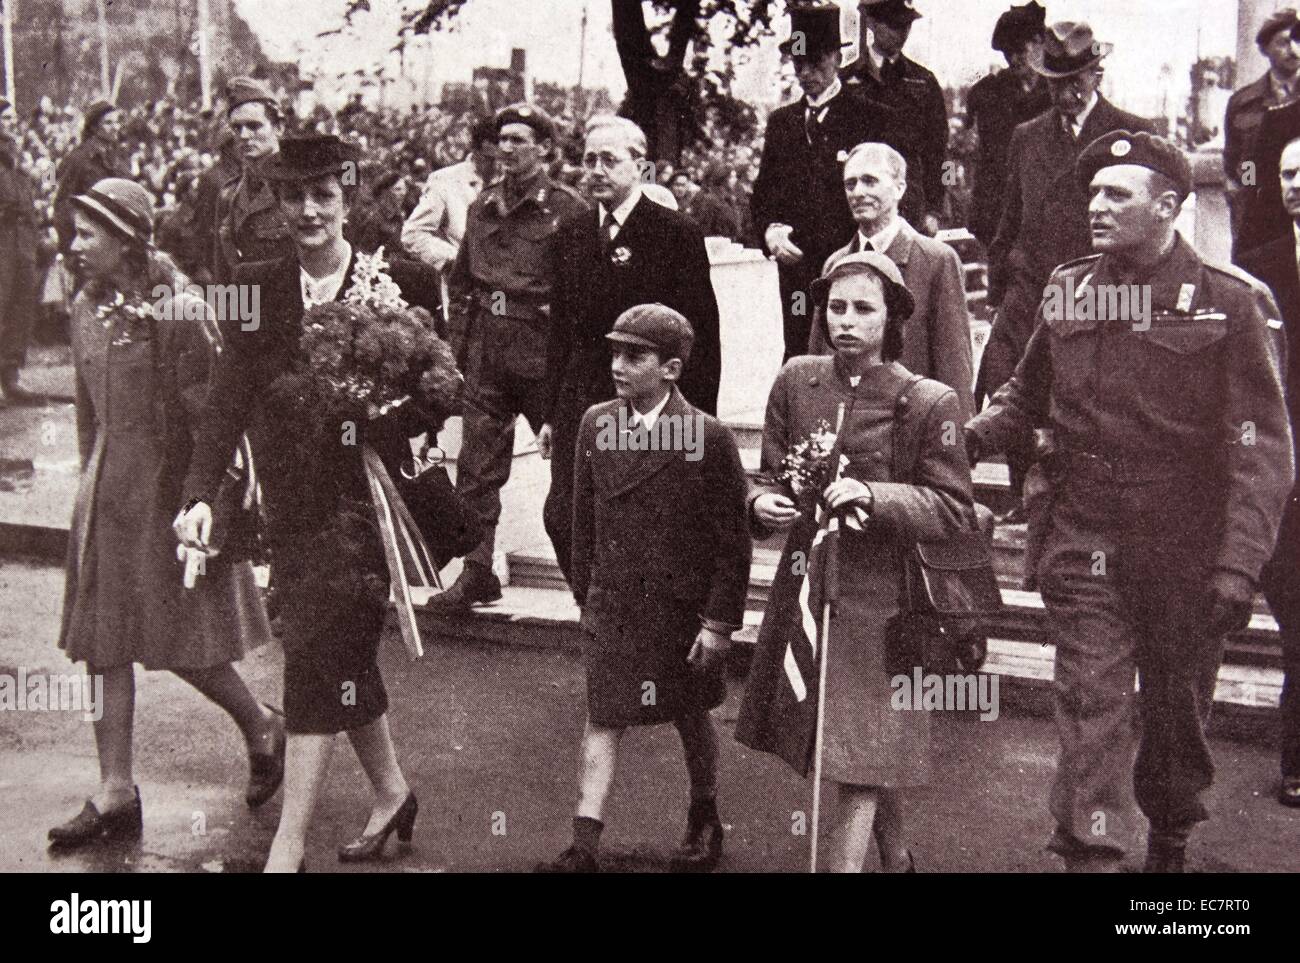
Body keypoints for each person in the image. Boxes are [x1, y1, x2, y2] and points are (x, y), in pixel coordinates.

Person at [966, 132, 1294, 872]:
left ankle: (1170, 842)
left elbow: (1261, 449)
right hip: (1085, 535)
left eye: (1118, 193)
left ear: (1168, 206)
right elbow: (1026, 395)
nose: (1097, 206)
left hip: (1186, 546)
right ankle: (1096, 854)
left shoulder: (1228, 302)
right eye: (1092, 192)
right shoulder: (1070, 286)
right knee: (1091, 707)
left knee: (1177, 719)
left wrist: (1239, 566)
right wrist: (963, 437)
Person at [175, 135, 448, 872]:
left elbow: (438, 393)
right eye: (292, 196)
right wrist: (201, 493)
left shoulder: (401, 280)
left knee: (317, 653)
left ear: (347, 194)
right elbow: (229, 394)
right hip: (292, 504)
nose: (307, 210)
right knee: (339, 652)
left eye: (322, 194)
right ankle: (391, 791)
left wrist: (369, 411)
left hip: (369, 507)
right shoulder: (255, 283)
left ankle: (287, 845)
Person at [48, 178, 282, 850]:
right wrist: (88, 489)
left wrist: (203, 501)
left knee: (178, 637)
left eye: (89, 233)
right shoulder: (85, 308)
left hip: (166, 490)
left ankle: (263, 725)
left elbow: (211, 414)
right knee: (101, 640)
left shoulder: (178, 309)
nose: (75, 244)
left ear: (127, 238)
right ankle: (114, 787)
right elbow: (84, 413)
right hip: (107, 493)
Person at [735, 251, 975, 872]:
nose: (845, 321)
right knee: (855, 741)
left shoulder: (929, 401)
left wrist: (875, 495)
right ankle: (897, 861)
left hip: (885, 600)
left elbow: (953, 508)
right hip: (809, 586)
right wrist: (764, 503)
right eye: (835, 307)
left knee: (860, 748)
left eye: (863, 309)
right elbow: (765, 474)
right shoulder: (796, 380)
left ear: (892, 319)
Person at [537, 304, 751, 873]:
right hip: (614, 603)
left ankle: (705, 817)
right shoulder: (596, 423)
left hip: (681, 612)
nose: (619, 366)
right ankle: (584, 842)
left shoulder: (706, 436)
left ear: (672, 369)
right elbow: (582, 517)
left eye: (635, 356)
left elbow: (733, 542)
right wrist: (586, 591)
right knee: (604, 714)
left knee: (689, 713)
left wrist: (718, 623)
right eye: (615, 353)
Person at [979, 21, 1151, 521]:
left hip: (1103, 289)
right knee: (1006, 378)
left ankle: (1083, 503)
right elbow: (1010, 216)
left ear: (1097, 74)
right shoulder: (1027, 137)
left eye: (1077, 80)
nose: (1068, 92)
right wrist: (998, 289)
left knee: (1088, 392)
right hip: (1031, 286)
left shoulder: (1132, 134)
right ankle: (1021, 497)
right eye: (1056, 82)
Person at [542, 116, 722, 583]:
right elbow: (559, 328)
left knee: (641, 511)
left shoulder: (673, 232)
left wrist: (697, 412)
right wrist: (548, 413)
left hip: (647, 396)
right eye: (589, 160)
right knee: (564, 514)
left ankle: (636, 616)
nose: (596, 170)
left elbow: (701, 328)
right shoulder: (571, 233)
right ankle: (593, 602)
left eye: (609, 160)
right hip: (582, 396)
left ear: (640, 167)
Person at [430, 104, 587, 612]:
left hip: (546, 359)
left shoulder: (569, 210)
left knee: (572, 473)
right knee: (475, 473)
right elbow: (462, 286)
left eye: (520, 139)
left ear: (545, 148)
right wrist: (455, 356)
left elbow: (585, 294)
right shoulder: (481, 208)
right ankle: (477, 571)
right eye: (502, 139)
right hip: (488, 357)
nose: (508, 148)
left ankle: (591, 583)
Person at [752, 4, 912, 361]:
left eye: (816, 62)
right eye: (798, 64)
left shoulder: (871, 117)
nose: (806, 73)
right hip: (796, 272)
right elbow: (763, 196)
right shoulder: (783, 123)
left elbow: (896, 191)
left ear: (837, 59)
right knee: (799, 354)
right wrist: (770, 233)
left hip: (854, 266)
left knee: (856, 352)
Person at [807, 142, 975, 424]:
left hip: (908, 430)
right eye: (850, 184)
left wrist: (955, 443)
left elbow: (954, 366)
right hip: (843, 431)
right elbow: (818, 361)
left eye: (870, 181)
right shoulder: (836, 264)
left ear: (899, 188)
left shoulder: (937, 261)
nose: (858, 192)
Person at [1234, 134, 1300, 810]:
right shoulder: (1258, 270)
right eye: (1287, 173)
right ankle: (1298, 761)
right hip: (1290, 475)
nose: (1295, 184)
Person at [841, 0, 947, 235]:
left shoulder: (924, 82)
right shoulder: (846, 82)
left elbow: (939, 153)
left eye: (906, 25)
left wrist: (935, 210)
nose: (901, 33)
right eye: (893, 25)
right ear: (871, 23)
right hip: (857, 209)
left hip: (908, 207)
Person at [964, 2, 1051, 249]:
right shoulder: (987, 93)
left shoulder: (1056, 95)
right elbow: (975, 155)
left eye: (1019, 50)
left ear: (1039, 43)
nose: (1013, 59)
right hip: (998, 218)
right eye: (1006, 52)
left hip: (1044, 217)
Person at [402, 116, 497, 327]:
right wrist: (455, 259)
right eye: (489, 158)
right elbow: (413, 234)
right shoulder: (445, 181)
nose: (496, 165)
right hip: (461, 294)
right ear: (475, 151)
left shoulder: (510, 181)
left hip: (500, 297)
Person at [1225, 9, 1300, 252]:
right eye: (1283, 42)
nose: (1293, 49)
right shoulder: (1243, 102)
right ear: (1265, 49)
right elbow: (1237, 160)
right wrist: (1250, 191)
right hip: (1263, 213)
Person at [212, 77, 292, 283]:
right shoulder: (229, 194)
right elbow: (223, 274)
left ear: (279, 127)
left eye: (254, 126)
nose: (244, 135)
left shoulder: (298, 186)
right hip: (249, 309)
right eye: (237, 128)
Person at [0, 98, 40, 404]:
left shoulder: (18, 157)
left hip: (22, 241)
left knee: (20, 308)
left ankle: (11, 376)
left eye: (13, 118)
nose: (12, 123)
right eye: (5, 118)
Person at [53, 101, 127, 263]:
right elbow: (62, 206)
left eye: (117, 122)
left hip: (114, 241)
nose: (115, 127)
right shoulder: (78, 159)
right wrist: (72, 248)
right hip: (89, 245)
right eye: (108, 123)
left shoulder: (117, 158)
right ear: (94, 127)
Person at [352, 170, 409, 255]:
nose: (403, 193)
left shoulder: (397, 217)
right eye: (397, 189)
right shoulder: (374, 217)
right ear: (385, 192)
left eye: (405, 189)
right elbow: (366, 252)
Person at [685, 161, 743, 242]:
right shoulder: (711, 199)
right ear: (724, 179)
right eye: (732, 177)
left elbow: (737, 228)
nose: (735, 180)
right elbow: (704, 228)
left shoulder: (730, 199)